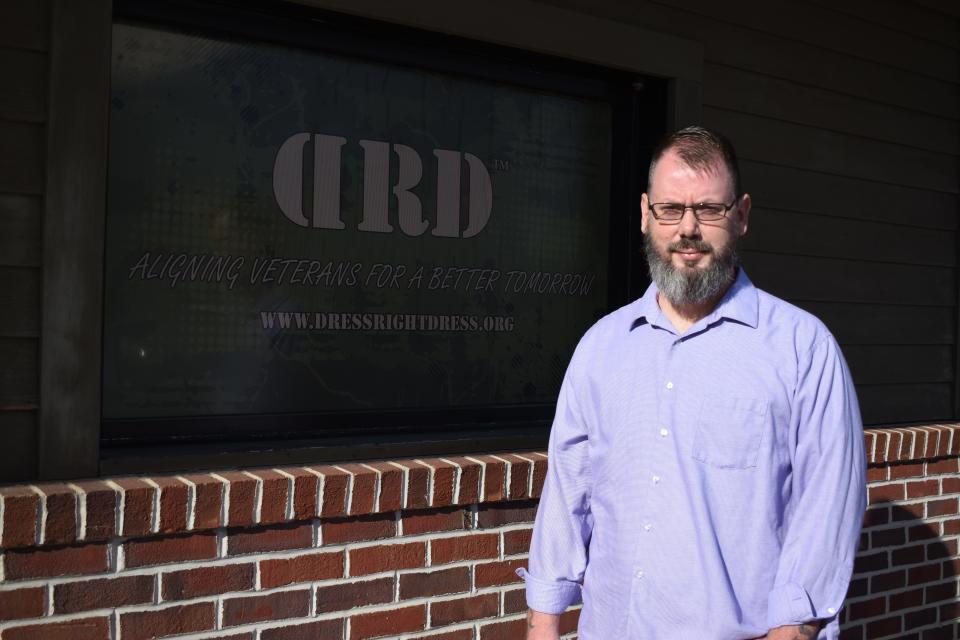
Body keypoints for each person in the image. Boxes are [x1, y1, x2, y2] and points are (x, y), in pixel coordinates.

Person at [519, 126, 866, 640]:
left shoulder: (802, 350)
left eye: (709, 209)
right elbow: (567, 496)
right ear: (644, 214)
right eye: (670, 209)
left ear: (742, 215)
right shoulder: (601, 347)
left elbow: (826, 514)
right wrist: (543, 624)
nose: (688, 228)